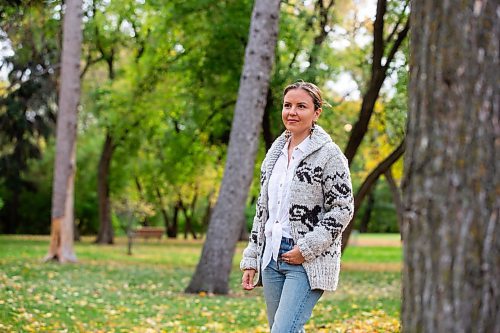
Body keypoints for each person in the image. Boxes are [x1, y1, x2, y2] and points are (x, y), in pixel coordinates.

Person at [240, 81, 354, 332]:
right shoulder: (274, 155)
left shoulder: (329, 155)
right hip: (270, 258)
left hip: (305, 261)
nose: (292, 112)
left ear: (316, 112)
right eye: (287, 105)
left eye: (301, 106)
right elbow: (263, 212)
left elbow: (342, 208)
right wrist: (251, 259)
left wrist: (307, 248)